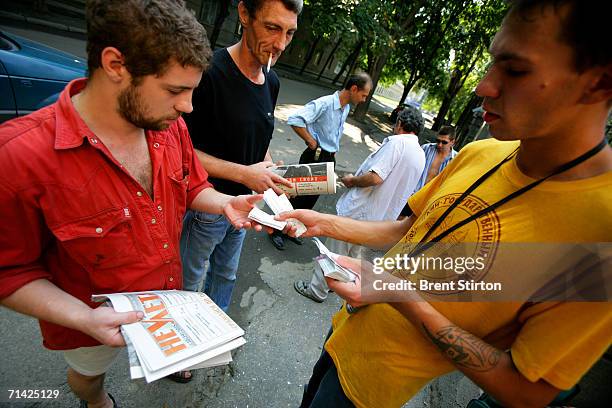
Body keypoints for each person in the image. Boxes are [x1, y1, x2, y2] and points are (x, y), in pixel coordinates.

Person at [279, 0, 612, 406]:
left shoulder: (601, 232)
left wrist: (396, 293)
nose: (483, 86)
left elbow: (527, 391)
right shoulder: (481, 152)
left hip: (371, 391)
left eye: (516, 69)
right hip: (342, 335)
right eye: (492, 63)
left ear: (599, 82)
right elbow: (409, 230)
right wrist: (323, 223)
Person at [0, 1, 263, 406]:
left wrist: (226, 203)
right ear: (115, 65)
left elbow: (192, 186)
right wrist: (84, 319)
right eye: (176, 90)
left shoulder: (169, 125)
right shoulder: (19, 157)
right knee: (87, 377)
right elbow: (9, 272)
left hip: (168, 301)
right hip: (91, 319)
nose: (188, 107)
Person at [180, 0, 302, 313]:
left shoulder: (271, 81)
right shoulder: (210, 72)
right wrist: (244, 174)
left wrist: (274, 178)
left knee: (226, 275)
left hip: (247, 208)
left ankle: (211, 338)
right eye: (272, 28)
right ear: (245, 14)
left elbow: (259, 141)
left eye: (289, 33)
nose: (280, 44)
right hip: (206, 207)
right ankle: (181, 356)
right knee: (188, 282)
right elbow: (180, 151)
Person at [294, 106, 426, 303]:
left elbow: (375, 177)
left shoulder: (396, 143)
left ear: (399, 124)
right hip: (380, 219)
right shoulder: (420, 154)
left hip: (360, 210)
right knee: (353, 254)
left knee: (332, 250)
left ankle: (317, 289)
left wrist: (351, 180)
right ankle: (336, 284)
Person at [269, 72, 373, 250]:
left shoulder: (345, 107)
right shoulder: (325, 103)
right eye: (363, 95)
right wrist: (310, 140)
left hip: (328, 158)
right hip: (314, 155)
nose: (364, 100)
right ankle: (277, 230)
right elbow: (295, 119)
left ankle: (291, 230)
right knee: (295, 196)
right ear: (354, 88)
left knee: (309, 201)